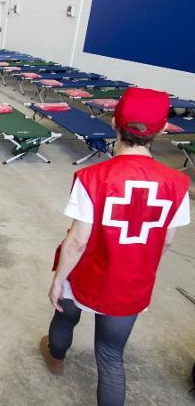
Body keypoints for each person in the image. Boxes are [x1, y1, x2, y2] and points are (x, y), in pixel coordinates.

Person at [40, 88, 191, 406]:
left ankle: (55, 357)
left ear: (113, 123)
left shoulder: (92, 176)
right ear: (163, 130)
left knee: (64, 318)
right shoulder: (178, 184)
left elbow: (78, 241)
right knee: (110, 357)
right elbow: (167, 239)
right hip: (131, 283)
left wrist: (57, 280)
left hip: (84, 274)